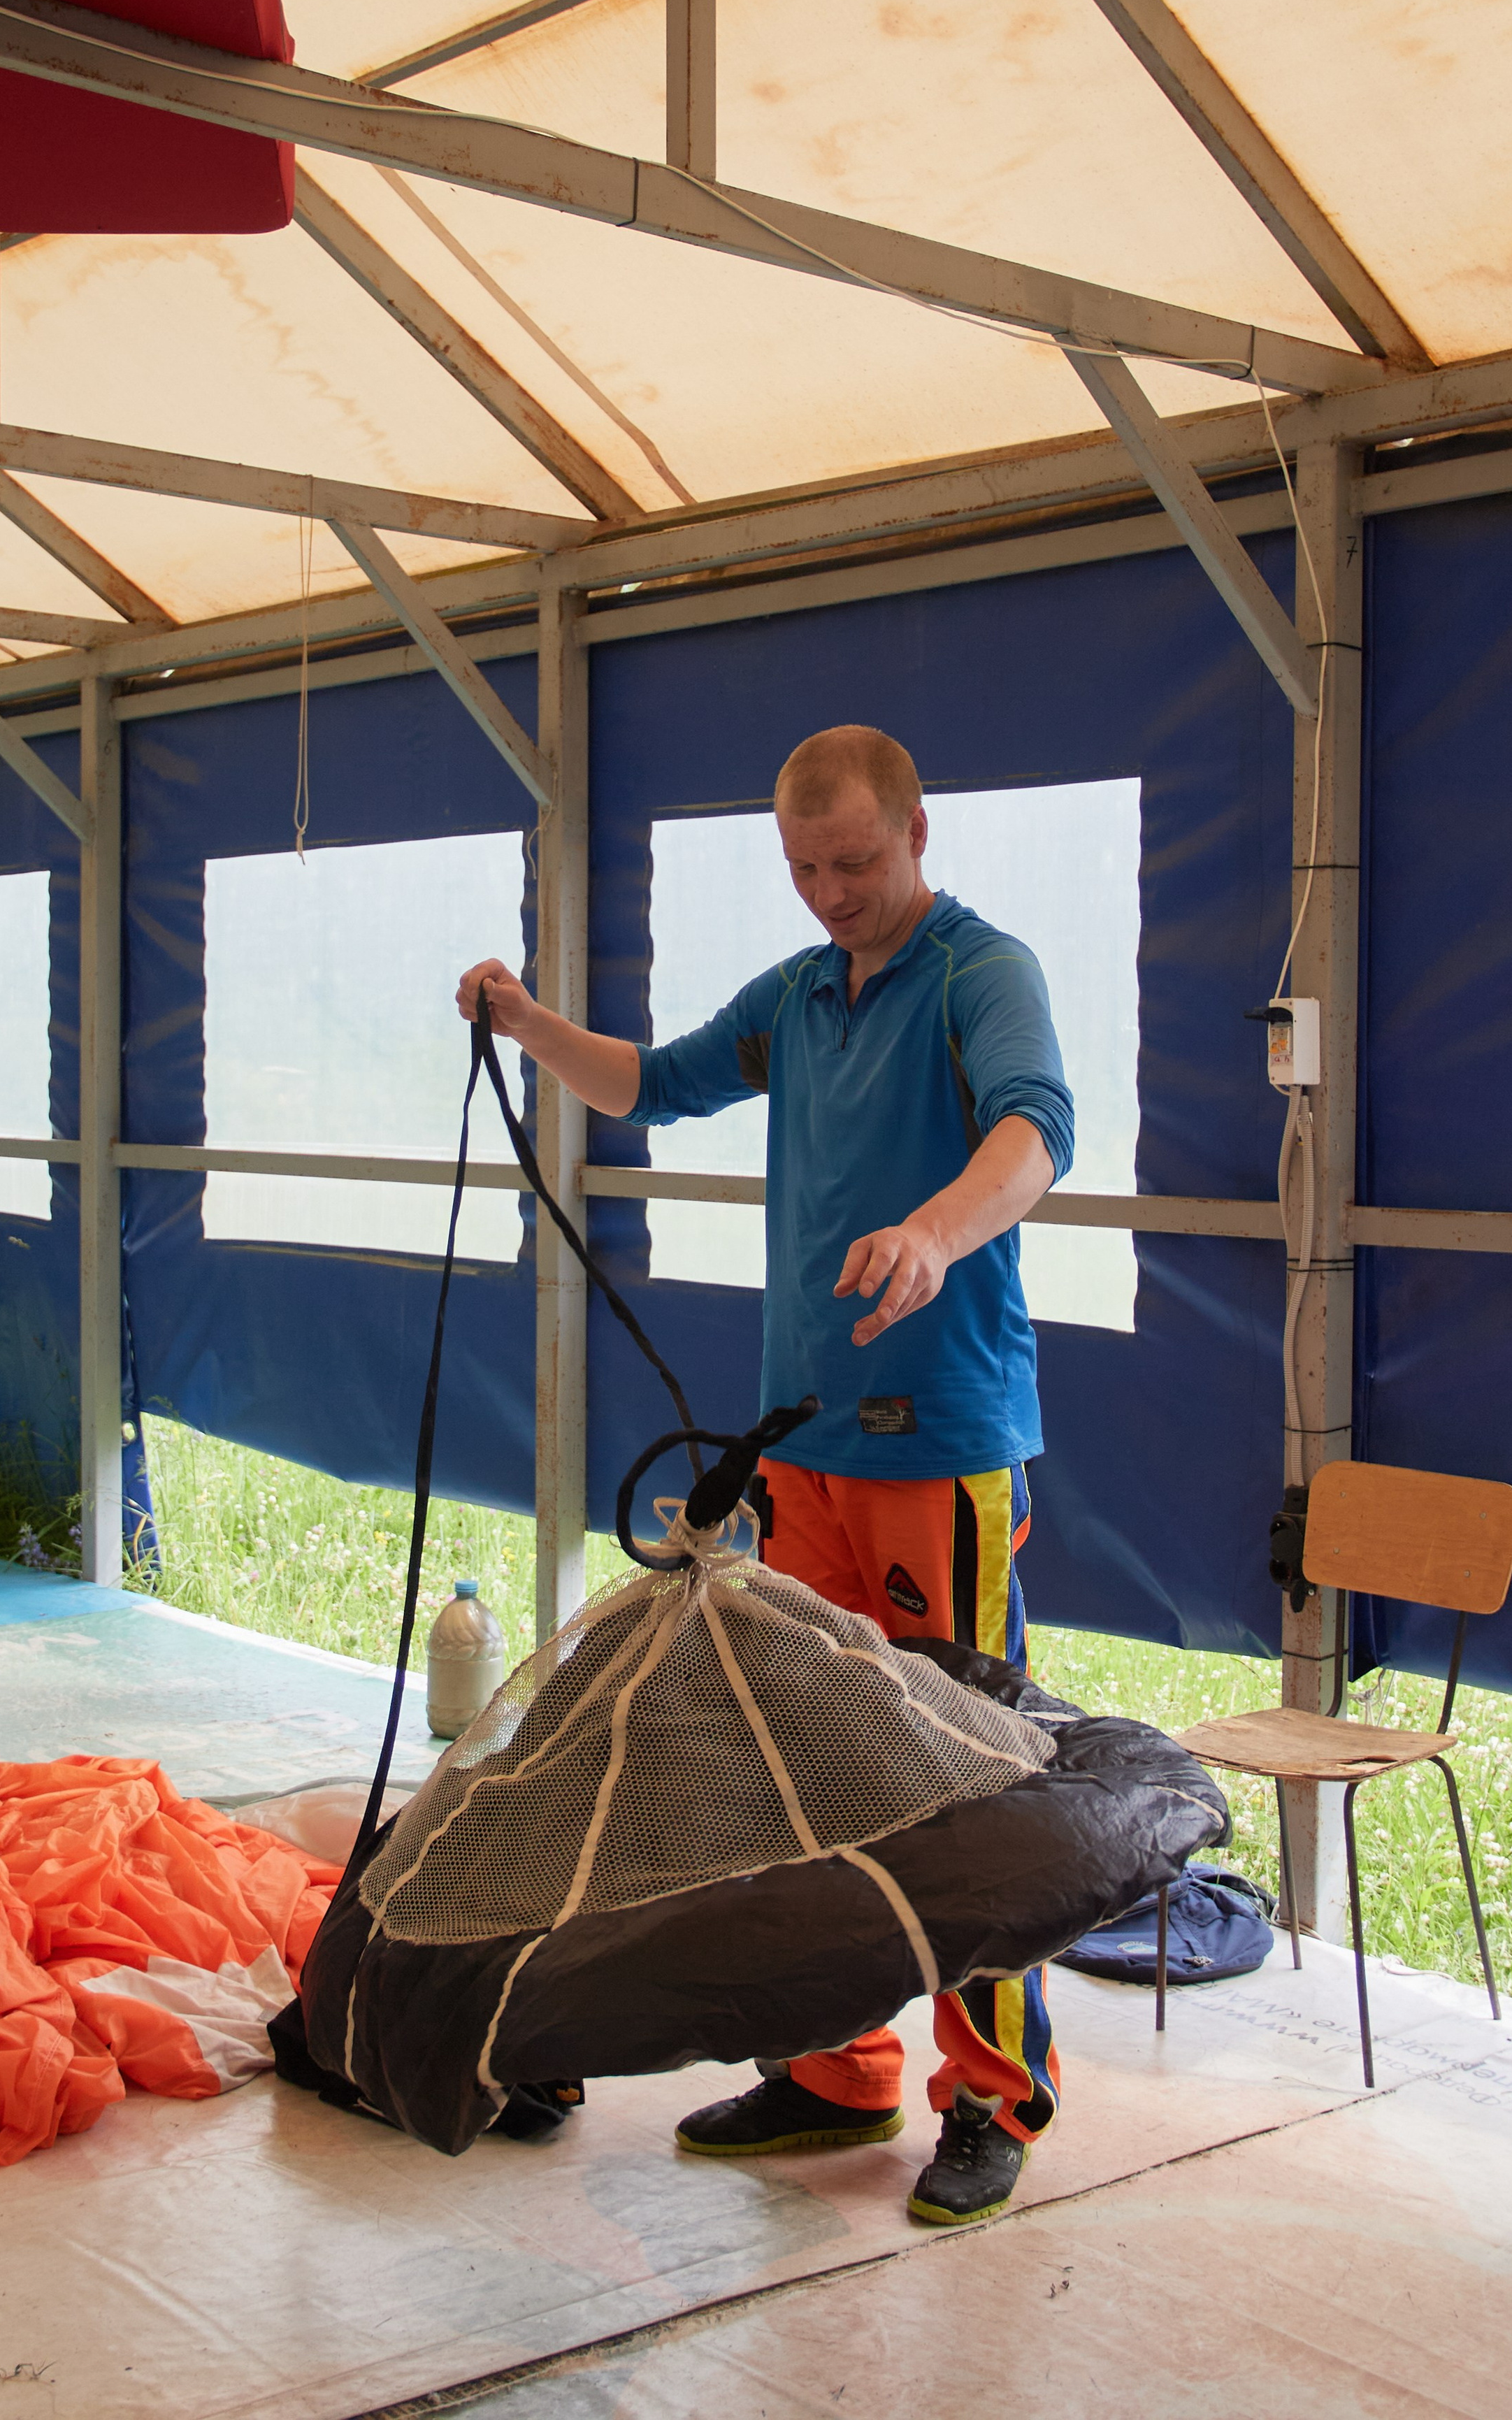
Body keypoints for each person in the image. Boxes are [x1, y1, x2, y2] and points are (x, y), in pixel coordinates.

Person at [456, 723, 1074, 2227]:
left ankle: (991, 2098)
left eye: (855, 863)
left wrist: (934, 1233)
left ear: (915, 833)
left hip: (941, 1447)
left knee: (961, 1780)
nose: (831, 895)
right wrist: (532, 1026)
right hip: (793, 1448)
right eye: (804, 870)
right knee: (794, 1760)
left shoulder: (978, 974)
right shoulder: (796, 997)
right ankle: (832, 2066)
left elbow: (1036, 1132)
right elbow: (646, 1086)